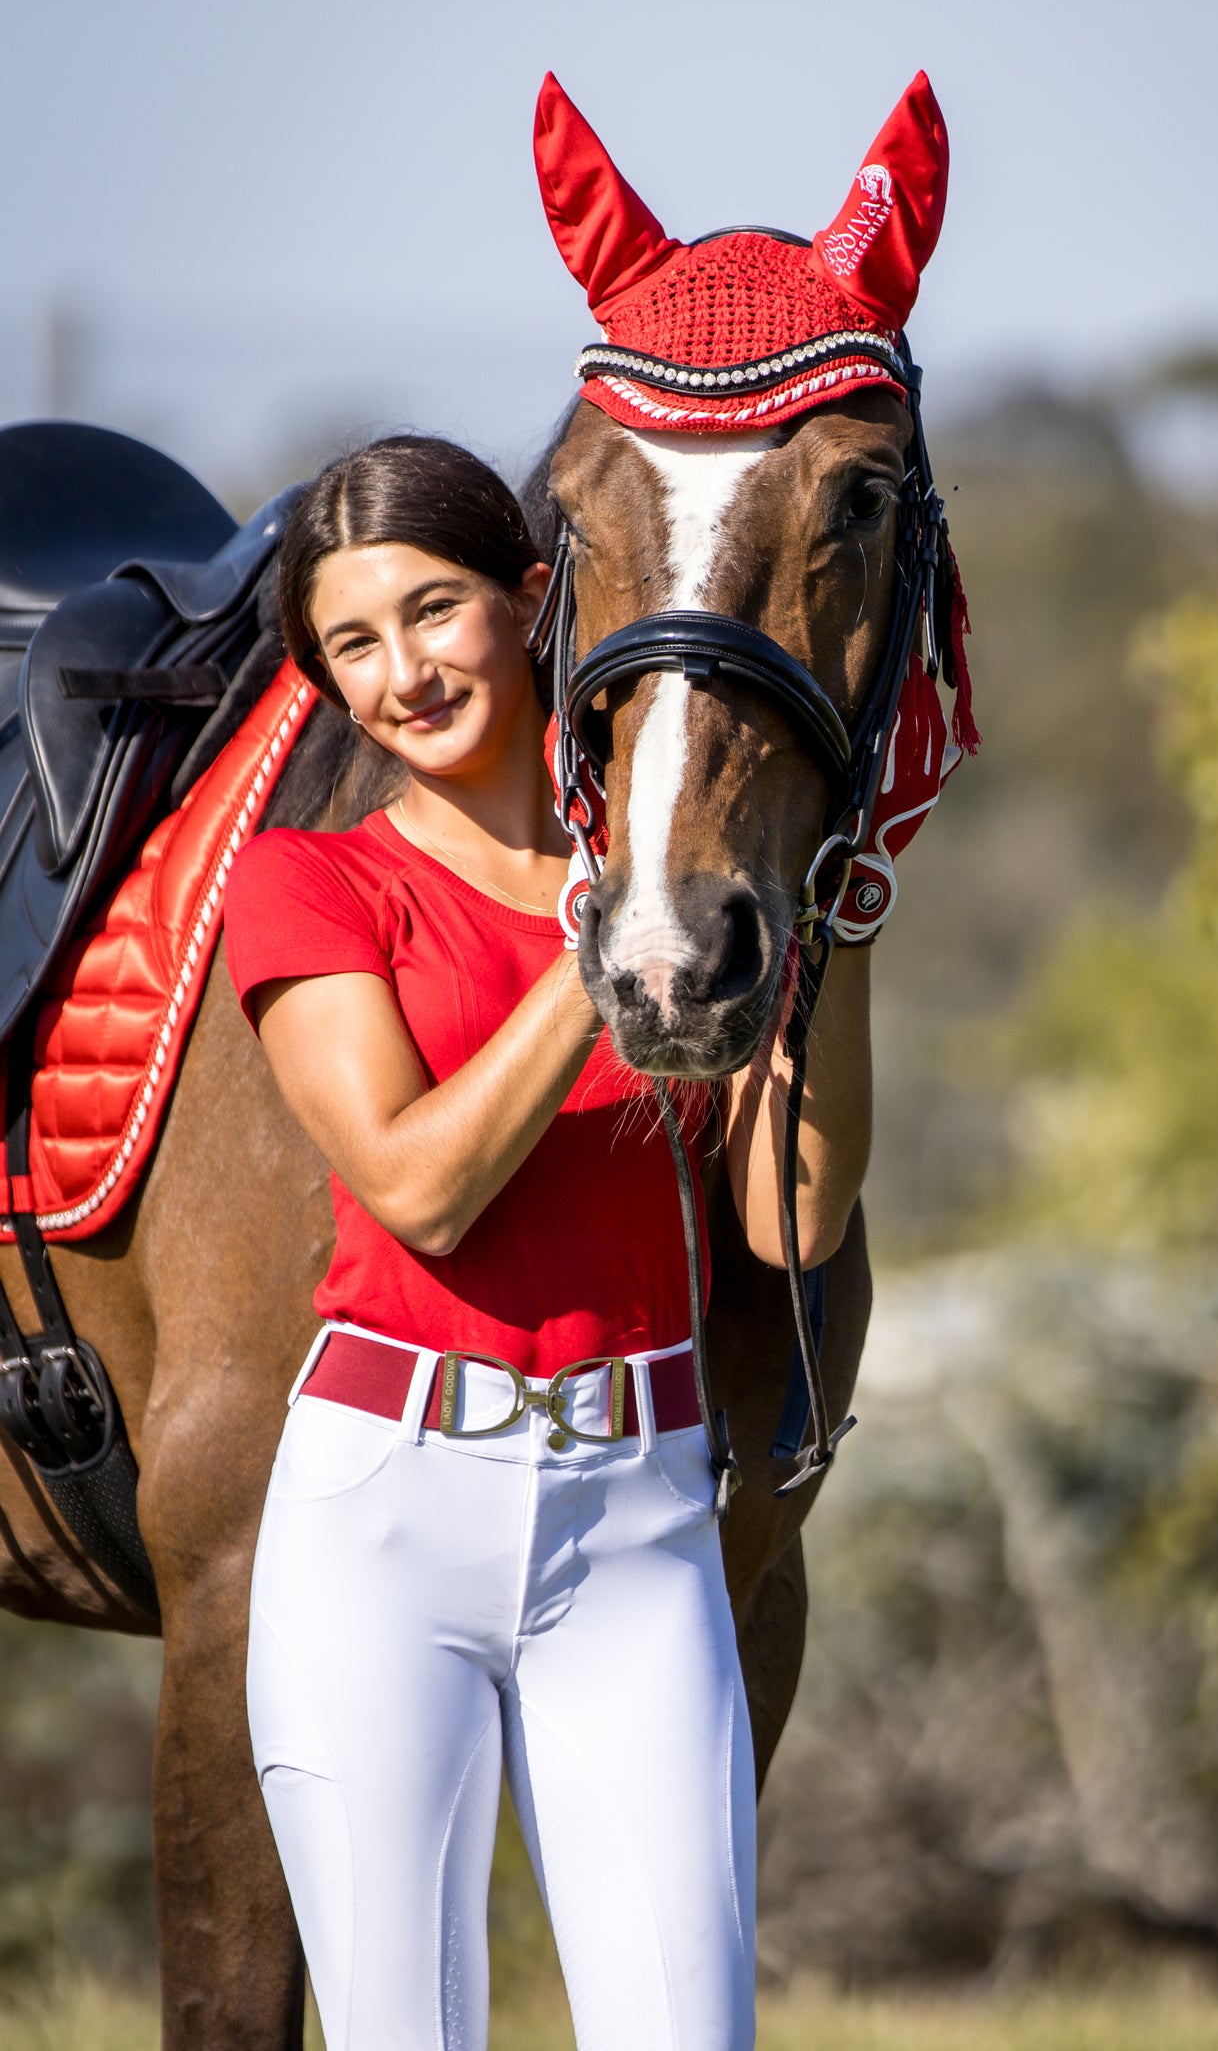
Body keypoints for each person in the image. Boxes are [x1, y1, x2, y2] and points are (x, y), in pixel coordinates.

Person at [221, 433, 875, 2051]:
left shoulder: (697, 892)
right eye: (350, 645)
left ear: (537, 600)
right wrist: (604, 940)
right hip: (383, 1515)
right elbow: (420, 1186)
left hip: (639, 1525)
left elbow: (789, 1214)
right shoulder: (310, 886)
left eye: (432, 613)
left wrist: (837, 916)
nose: (399, 675)